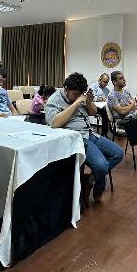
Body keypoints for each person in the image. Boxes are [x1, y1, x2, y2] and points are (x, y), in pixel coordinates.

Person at [45, 72, 123, 202]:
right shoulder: (55, 99)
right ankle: (98, 188)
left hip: (90, 133)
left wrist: (88, 102)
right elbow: (54, 122)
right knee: (102, 166)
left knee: (118, 154)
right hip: (76, 138)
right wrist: (76, 103)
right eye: (75, 94)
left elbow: (93, 112)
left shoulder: (79, 95)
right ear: (66, 89)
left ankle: (90, 179)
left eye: (79, 94)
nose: (77, 96)